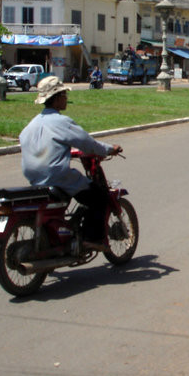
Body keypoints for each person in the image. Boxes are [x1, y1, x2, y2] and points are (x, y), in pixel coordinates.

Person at [19, 76, 121, 249]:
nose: (66, 98)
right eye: (64, 95)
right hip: (56, 176)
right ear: (57, 98)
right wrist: (110, 149)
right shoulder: (61, 122)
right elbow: (88, 143)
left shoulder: (32, 124)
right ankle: (91, 239)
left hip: (34, 178)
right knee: (99, 197)